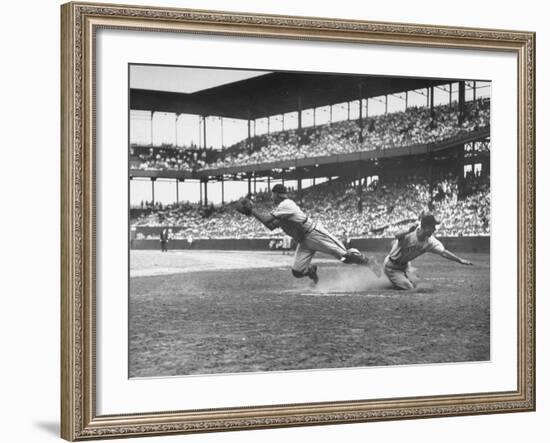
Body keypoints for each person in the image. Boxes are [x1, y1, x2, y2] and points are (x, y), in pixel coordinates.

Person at [235, 184, 379, 284]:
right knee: (297, 272)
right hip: (304, 241)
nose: (271, 197)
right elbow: (270, 225)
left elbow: (267, 219)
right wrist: (253, 212)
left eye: (272, 194)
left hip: (315, 234)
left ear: (276, 194)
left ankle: (368, 261)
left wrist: (252, 211)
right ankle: (311, 271)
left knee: (345, 257)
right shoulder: (281, 207)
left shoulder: (286, 204)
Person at [383, 214, 473, 290]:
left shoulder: (430, 241)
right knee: (409, 288)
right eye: (433, 226)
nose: (434, 229)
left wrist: (460, 260)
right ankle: (393, 281)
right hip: (392, 267)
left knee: (416, 281)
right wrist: (407, 231)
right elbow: (397, 235)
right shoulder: (410, 233)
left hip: (405, 266)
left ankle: (402, 278)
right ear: (426, 227)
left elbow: (444, 252)